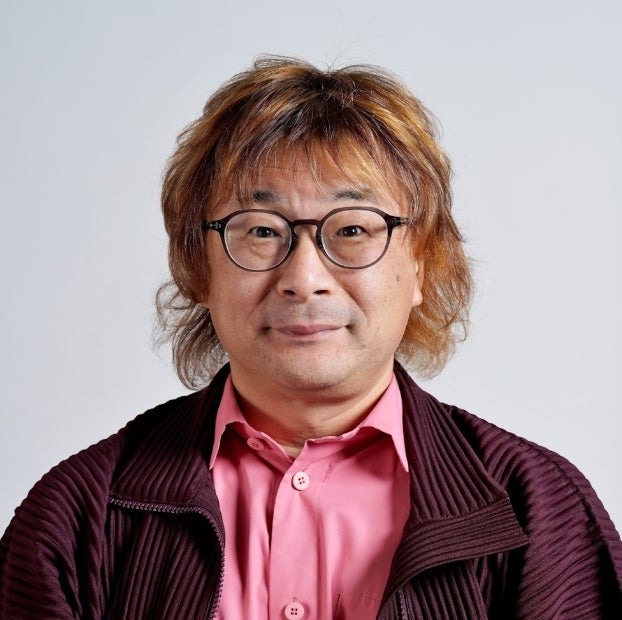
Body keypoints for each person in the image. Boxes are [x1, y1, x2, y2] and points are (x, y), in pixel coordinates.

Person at [1, 56, 621, 620]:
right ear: (198, 268)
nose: (303, 278)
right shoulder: (75, 518)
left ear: (423, 265)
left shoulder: (540, 509)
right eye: (260, 230)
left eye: (352, 229)